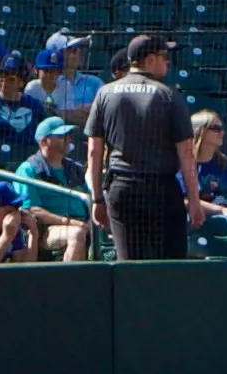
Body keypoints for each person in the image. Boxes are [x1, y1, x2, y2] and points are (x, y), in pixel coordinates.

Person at [81, 29, 196, 261]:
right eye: (165, 57)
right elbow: (186, 153)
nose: (168, 63)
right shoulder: (169, 95)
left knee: (129, 268)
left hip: (122, 189)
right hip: (161, 190)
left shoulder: (105, 93)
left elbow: (94, 152)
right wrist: (194, 200)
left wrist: (97, 199)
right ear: (150, 59)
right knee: (171, 267)